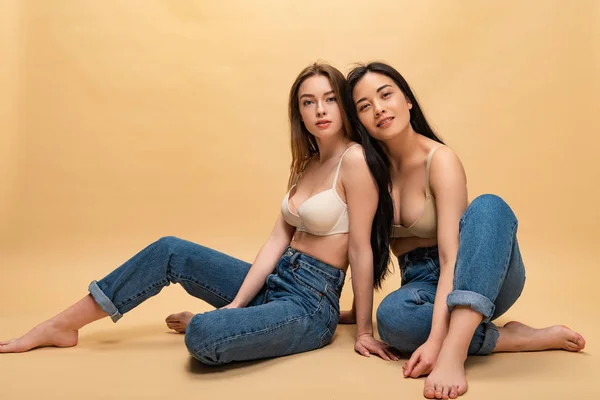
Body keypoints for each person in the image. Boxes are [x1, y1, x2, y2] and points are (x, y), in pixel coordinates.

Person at [0, 62, 398, 364]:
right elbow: (276, 242)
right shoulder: (308, 164)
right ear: (299, 112)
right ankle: (62, 325)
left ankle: (231, 325)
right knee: (170, 249)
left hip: (309, 306)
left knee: (203, 335)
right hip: (277, 282)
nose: (320, 110)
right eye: (307, 102)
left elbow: (361, 250)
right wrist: (238, 303)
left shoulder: (355, 161)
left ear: (344, 105)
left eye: (330, 98)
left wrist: (363, 329)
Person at [341, 61, 586, 399]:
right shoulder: (369, 172)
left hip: (481, 271)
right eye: (364, 106)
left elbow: (450, 257)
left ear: (407, 100)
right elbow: (361, 248)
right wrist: (361, 319)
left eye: (386, 95)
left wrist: (438, 343)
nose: (379, 109)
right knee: (393, 318)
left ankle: (456, 352)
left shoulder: (439, 159)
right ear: (359, 122)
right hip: (423, 285)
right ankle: (511, 338)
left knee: (489, 206)